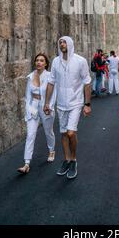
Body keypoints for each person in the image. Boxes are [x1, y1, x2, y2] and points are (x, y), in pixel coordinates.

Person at [44, 36, 92, 180]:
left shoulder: (80, 61)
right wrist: (47, 103)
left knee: (71, 133)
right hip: (61, 104)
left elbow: (87, 82)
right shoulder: (56, 62)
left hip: (76, 102)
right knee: (64, 133)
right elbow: (51, 82)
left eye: (64, 42)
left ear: (70, 44)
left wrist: (87, 104)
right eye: (60, 42)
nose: (62, 44)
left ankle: (74, 160)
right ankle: (67, 160)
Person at [17, 54, 56, 174]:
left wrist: (50, 106)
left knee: (48, 131)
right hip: (33, 105)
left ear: (46, 63)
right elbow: (27, 95)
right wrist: (28, 110)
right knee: (30, 134)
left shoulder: (50, 76)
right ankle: (26, 163)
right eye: (37, 60)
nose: (39, 62)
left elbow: (54, 93)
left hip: (46, 106)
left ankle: (51, 150)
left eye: (41, 60)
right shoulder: (30, 77)